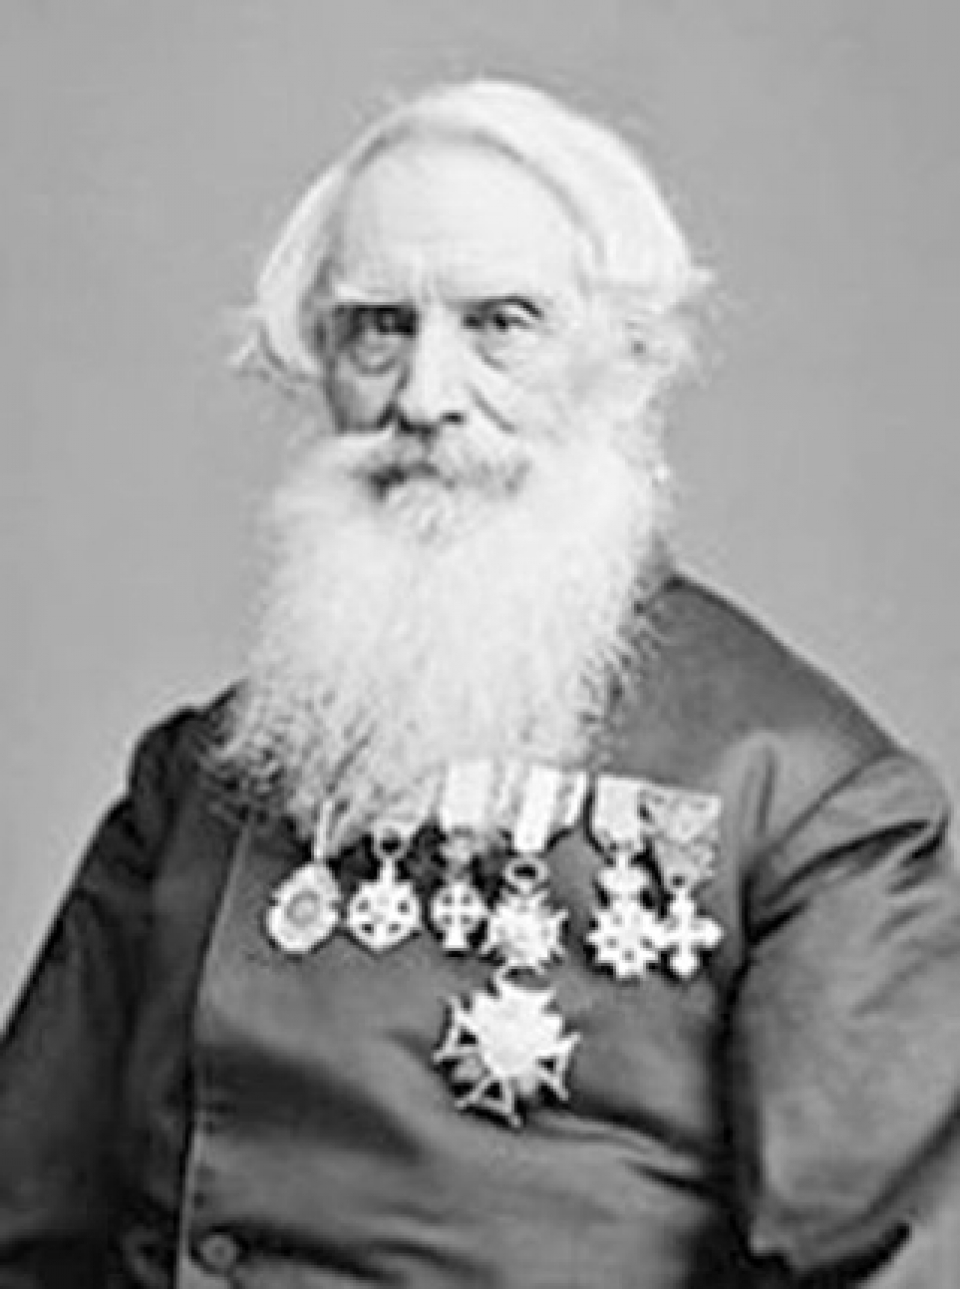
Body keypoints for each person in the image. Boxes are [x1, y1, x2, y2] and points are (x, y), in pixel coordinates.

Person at [1, 79, 958, 1289]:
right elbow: (23, 1228)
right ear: (319, 364)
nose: (425, 396)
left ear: (631, 359)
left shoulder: (808, 800)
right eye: (378, 326)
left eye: (502, 323)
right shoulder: (202, 775)